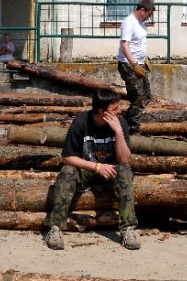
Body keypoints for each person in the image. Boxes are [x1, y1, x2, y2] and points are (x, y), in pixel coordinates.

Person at [44, 88, 140, 250]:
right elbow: (67, 157)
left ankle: (128, 228)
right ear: (102, 112)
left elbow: (124, 160)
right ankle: (55, 228)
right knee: (67, 171)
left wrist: (118, 131)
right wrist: (96, 166)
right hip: (87, 170)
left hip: (110, 171)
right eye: (115, 109)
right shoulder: (81, 122)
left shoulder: (120, 122)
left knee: (124, 171)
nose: (120, 111)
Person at [117, 0, 155, 135]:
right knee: (138, 98)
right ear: (142, 10)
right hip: (128, 65)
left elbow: (139, 42)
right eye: (148, 14)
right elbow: (124, 46)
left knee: (147, 96)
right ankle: (133, 131)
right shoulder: (129, 22)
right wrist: (134, 65)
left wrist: (145, 59)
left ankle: (123, 120)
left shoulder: (141, 22)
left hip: (138, 63)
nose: (149, 17)